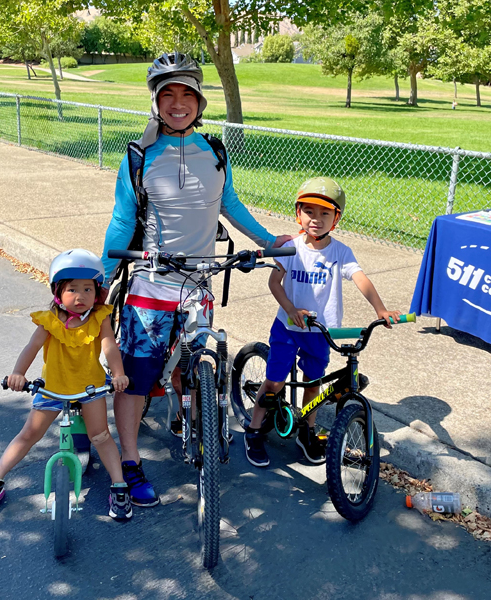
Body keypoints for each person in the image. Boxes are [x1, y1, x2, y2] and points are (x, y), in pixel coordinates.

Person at [100, 52, 293, 507]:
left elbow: (231, 204)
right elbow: (121, 223)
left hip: (200, 285)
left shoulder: (215, 152)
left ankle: (194, 418)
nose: (178, 102)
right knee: (138, 378)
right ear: (155, 102)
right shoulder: (140, 156)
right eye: (168, 94)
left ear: (201, 102)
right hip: (151, 287)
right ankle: (129, 462)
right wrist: (100, 279)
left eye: (187, 93)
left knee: (196, 370)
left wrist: (267, 241)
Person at [244, 177, 400, 467]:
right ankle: (253, 429)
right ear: (298, 214)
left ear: (336, 219)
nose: (316, 219)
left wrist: (381, 308)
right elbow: (275, 282)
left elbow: (359, 278)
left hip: (319, 331)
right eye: (309, 212)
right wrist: (290, 308)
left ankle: (307, 431)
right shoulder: (291, 248)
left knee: (313, 383)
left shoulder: (340, 252)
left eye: (324, 213)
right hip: (288, 328)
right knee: (276, 381)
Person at [0, 249, 132, 520]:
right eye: (72, 290)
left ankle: (119, 486)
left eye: (88, 289)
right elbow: (31, 348)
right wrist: (18, 374)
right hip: (53, 388)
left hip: (90, 388)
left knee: (101, 436)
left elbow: (109, 346)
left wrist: (118, 373)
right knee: (28, 435)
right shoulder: (49, 321)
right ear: (58, 292)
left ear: (98, 292)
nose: (80, 296)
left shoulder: (99, 317)